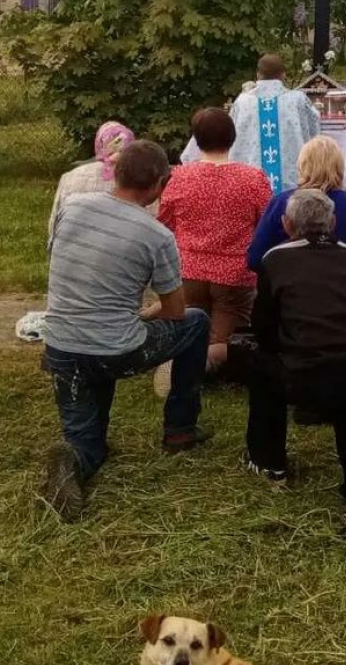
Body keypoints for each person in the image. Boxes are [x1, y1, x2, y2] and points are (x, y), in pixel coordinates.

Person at [41, 141, 210, 521]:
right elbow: (176, 312)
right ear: (157, 184)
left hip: (62, 347)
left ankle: (74, 459)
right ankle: (180, 429)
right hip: (116, 349)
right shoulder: (157, 236)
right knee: (198, 323)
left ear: (116, 173)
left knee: (89, 443)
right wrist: (144, 314)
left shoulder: (72, 207)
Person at [244, 189, 346, 534]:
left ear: (285, 224)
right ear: (334, 223)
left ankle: (268, 461)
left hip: (309, 375)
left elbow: (263, 328)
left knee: (260, 362)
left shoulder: (274, 259)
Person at [153, 108, 272, 390]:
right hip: (234, 274)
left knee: (193, 322)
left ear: (197, 139)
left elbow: (165, 223)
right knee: (226, 337)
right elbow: (266, 224)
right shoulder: (253, 179)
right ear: (232, 137)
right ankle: (205, 365)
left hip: (189, 271)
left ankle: (182, 362)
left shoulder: (180, 177)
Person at [179, 54, 320, 194]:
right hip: (290, 185)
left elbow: (228, 136)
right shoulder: (298, 100)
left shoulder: (243, 101)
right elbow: (314, 130)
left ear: (257, 75)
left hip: (249, 183)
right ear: (283, 75)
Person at [247, 136, 346, 274]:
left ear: (303, 165)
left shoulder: (282, 203)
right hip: (344, 289)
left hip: (289, 288)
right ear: (339, 167)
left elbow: (256, 259)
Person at [48, 121, 136, 238]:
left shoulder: (70, 177)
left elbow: (55, 222)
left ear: (99, 143)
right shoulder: (139, 176)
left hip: (74, 243)